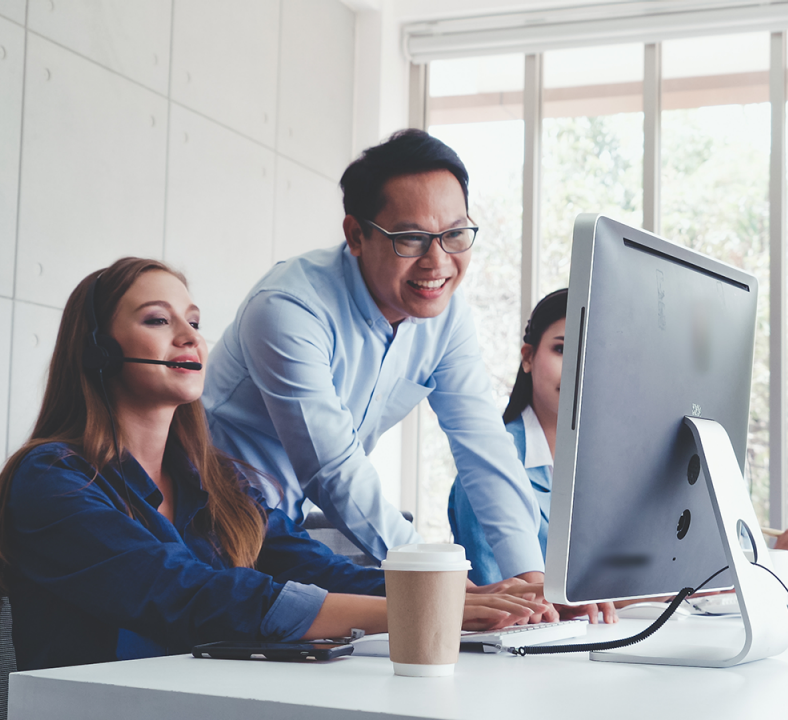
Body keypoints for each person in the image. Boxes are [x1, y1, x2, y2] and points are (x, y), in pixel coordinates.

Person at [0, 258, 547, 671]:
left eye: (194, 321)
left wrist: (450, 591)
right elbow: (193, 594)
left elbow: (313, 566)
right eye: (158, 321)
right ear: (99, 352)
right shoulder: (52, 480)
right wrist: (413, 608)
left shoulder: (212, 479)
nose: (189, 338)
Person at [202, 130, 544, 587]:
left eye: (456, 234)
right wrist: (436, 575)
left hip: (284, 529)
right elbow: (333, 469)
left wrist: (532, 577)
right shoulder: (287, 308)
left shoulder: (445, 314)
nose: (437, 262)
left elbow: (482, 444)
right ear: (356, 235)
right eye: (412, 239)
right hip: (203, 520)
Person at [449, 288, 788, 600]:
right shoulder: (487, 472)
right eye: (561, 349)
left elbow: (663, 577)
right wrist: (767, 568)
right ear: (528, 357)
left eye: (594, 355)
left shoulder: (624, 467)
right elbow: (506, 600)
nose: (578, 370)